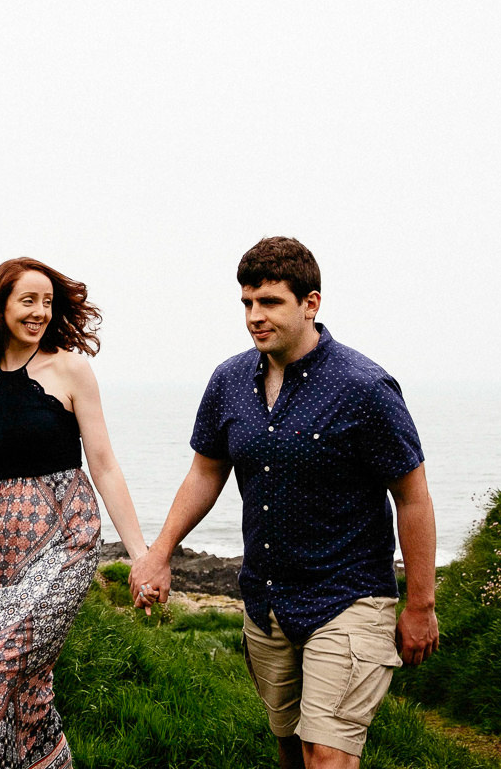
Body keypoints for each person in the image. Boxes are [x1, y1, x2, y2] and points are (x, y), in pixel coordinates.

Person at [129, 237, 438, 769]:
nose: (254, 316)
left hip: (349, 596)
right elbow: (206, 471)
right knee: (292, 750)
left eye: (269, 302)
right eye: (247, 303)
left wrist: (420, 603)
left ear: (310, 304)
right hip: (267, 601)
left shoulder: (364, 387)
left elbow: (412, 497)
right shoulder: (228, 380)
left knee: (327, 755)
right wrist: (160, 552)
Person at [0, 257, 147, 769]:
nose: (40, 312)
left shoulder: (70, 368)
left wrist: (141, 556)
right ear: (1, 305)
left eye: (47, 302)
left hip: (67, 540)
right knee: (28, 692)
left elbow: (103, 465)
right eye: (28, 300)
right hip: (1, 550)